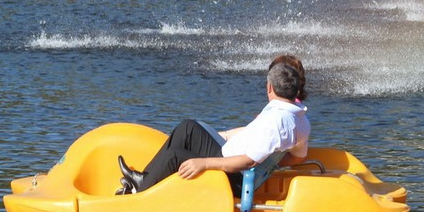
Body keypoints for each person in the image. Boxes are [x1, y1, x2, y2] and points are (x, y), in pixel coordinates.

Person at [115, 58, 311, 195]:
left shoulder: (275, 121)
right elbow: (299, 156)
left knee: (175, 155)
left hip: (234, 176)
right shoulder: (299, 118)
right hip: (229, 158)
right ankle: (143, 179)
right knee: (188, 128)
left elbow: (248, 162)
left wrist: (204, 163)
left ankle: (139, 192)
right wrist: (272, 164)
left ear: (269, 87)